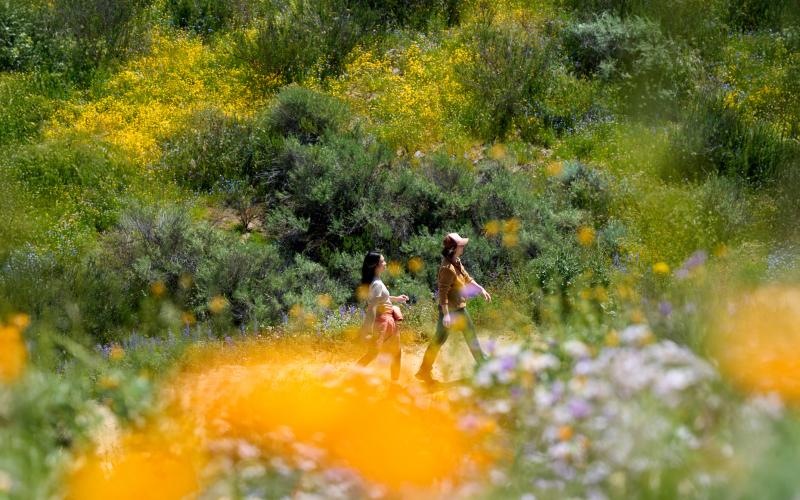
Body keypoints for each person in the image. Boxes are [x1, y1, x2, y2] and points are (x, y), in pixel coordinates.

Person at [416, 233, 491, 384]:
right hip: (449, 312)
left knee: (470, 335)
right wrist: (446, 315)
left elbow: (467, 278)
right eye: (461, 245)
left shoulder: (456, 261)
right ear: (453, 248)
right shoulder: (447, 268)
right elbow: (442, 294)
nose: (463, 247)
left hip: (459, 308)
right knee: (439, 340)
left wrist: (481, 289)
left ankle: (483, 364)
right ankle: (424, 371)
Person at [357, 251, 409, 381]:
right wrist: (368, 330)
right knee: (374, 353)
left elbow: (382, 299)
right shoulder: (377, 284)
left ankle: (394, 384)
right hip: (383, 322)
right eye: (382, 261)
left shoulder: (376, 281)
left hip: (387, 320)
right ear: (376, 265)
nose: (385, 263)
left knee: (395, 352)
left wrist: (396, 298)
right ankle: (352, 376)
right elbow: (372, 307)